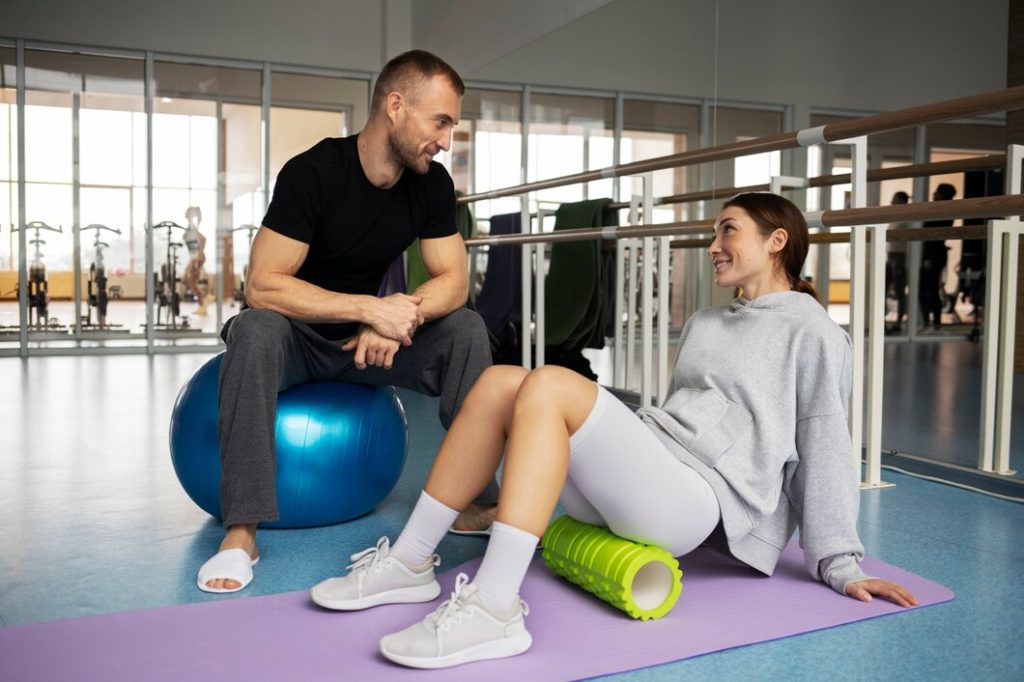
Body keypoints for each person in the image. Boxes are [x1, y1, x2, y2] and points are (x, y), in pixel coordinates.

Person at [308, 192, 919, 669]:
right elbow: (678, 417)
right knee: (498, 382)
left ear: (777, 240)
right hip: (655, 470)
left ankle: (494, 607)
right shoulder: (709, 321)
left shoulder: (812, 331)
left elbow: (825, 441)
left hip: (698, 500)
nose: (713, 245)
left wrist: (840, 562)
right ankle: (411, 564)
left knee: (547, 383)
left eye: (727, 230)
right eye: (713, 233)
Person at [197, 50, 495, 593]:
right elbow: (263, 283)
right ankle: (241, 529)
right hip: (298, 340)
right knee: (255, 327)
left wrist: (395, 318)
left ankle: (468, 501)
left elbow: (453, 280)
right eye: (441, 122)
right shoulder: (313, 173)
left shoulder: (430, 183)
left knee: (467, 330)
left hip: (370, 347)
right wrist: (367, 308)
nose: (447, 140)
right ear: (396, 106)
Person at [919, 183, 956, 330]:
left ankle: (934, 322)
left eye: (936, 192)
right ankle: (930, 321)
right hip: (932, 255)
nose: (933, 194)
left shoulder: (944, 212)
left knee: (930, 290)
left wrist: (929, 258)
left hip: (933, 256)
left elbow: (935, 236)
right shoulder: (942, 211)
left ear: (941, 195)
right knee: (927, 289)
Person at [885, 191, 909, 333]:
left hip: (899, 258)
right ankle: (882, 321)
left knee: (900, 292)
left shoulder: (905, 219)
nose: (891, 201)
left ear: (901, 201)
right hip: (890, 257)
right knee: (884, 289)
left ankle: (899, 322)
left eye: (894, 199)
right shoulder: (894, 218)